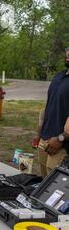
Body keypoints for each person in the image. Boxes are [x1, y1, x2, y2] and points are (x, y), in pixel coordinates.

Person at [36, 47, 69, 177]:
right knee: (43, 183)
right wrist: (39, 133)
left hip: (61, 145)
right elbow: (50, 105)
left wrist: (60, 139)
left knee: (55, 187)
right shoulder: (59, 76)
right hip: (45, 139)